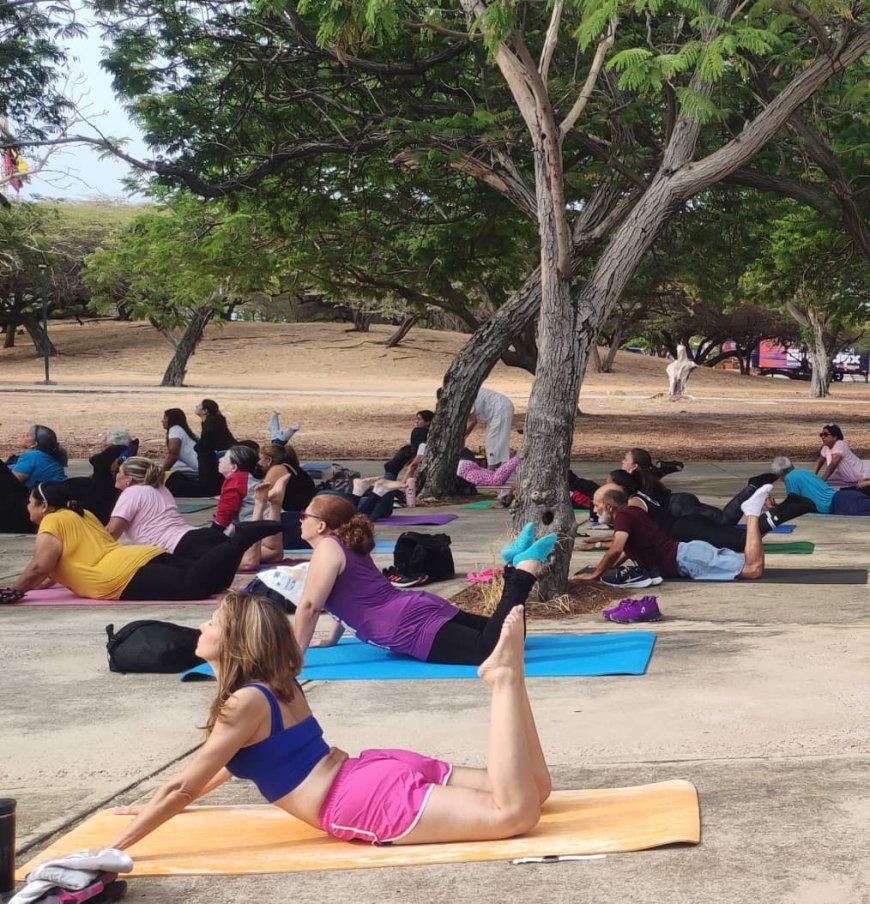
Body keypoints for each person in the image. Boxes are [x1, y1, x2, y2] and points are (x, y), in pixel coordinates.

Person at [102, 591, 549, 851]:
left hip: (355, 799)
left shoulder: (243, 704)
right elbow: (222, 766)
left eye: (214, 622)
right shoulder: (279, 686)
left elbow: (186, 786)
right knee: (534, 788)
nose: (202, 626)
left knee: (515, 812)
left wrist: (115, 847)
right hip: (367, 770)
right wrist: (153, 803)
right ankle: (515, 683)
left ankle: (505, 682)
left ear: (235, 641)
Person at [292, 495, 557, 664]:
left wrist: (294, 658)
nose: (299, 520)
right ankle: (513, 563)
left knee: (489, 651)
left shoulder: (327, 548)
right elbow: (350, 597)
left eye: (304, 515)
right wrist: (331, 639)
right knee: (509, 637)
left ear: (321, 526)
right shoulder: (343, 546)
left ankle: (525, 569)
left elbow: (309, 607)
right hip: (412, 606)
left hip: (403, 624)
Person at [9, 481, 281, 601]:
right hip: (138, 557)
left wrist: (15, 590)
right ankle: (237, 541)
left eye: (30, 504)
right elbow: (58, 565)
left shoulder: (52, 521)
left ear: (44, 505)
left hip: (119, 576)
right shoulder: (82, 515)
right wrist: (46, 582)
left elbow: (40, 565)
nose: (27, 509)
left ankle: (238, 540)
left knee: (194, 587)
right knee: (214, 583)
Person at [576, 482, 770, 587]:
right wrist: (609, 567)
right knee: (749, 565)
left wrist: (595, 575)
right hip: (689, 554)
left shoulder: (624, 517)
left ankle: (752, 513)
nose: (594, 509)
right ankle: (752, 511)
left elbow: (616, 549)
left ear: (609, 506)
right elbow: (626, 550)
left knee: (753, 570)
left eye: (596, 505)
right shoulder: (631, 514)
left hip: (687, 560)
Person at [107, 456, 239, 559]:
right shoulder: (160, 488)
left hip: (181, 546)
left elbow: (112, 532)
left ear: (128, 480)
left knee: (245, 562)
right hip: (195, 536)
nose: (116, 475)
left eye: (119, 472)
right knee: (243, 557)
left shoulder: (131, 492)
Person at [773, 455, 870, 516]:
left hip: (840, 504)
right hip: (845, 496)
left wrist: (776, 508)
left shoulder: (789, 478)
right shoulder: (805, 472)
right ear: (792, 466)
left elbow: (792, 502)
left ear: (780, 475)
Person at [466, 388, 515, 467]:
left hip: (500, 408)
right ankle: (497, 469)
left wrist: (464, 436)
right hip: (498, 409)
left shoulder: (463, 399)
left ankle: (491, 472)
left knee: (492, 443)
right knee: (496, 442)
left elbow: (473, 421)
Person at [383, 410, 433, 480]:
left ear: (428, 422)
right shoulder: (423, 433)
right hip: (396, 464)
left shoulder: (418, 432)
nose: (416, 421)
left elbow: (416, 452)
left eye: (419, 419)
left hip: (395, 465)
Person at [162, 409, 200, 475]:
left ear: (172, 420)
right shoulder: (181, 429)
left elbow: (173, 455)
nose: (162, 421)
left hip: (206, 468)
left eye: (165, 418)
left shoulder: (175, 429)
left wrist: (160, 473)